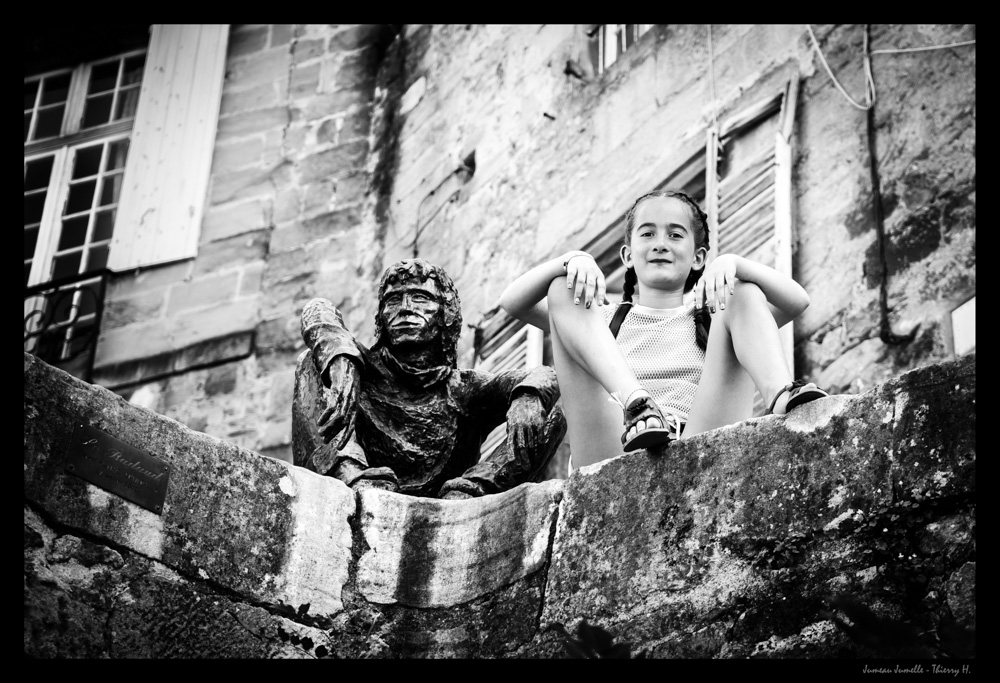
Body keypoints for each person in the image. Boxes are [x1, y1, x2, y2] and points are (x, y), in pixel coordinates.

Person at [499, 189, 828, 470]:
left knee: (741, 290)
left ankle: (782, 394)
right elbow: (514, 303)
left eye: (675, 235)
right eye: (647, 234)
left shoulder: (713, 317)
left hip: (702, 440)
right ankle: (637, 403)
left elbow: (796, 302)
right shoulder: (600, 321)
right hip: (614, 444)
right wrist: (572, 259)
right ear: (628, 256)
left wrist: (734, 264)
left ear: (698, 258)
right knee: (562, 287)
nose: (660, 244)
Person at [292, 258, 567, 499]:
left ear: (445, 314)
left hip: (451, 499)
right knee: (312, 360)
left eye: (420, 298)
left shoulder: (464, 388)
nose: (405, 308)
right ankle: (346, 471)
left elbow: (545, 375)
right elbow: (317, 308)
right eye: (393, 300)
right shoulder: (363, 369)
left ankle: (473, 489)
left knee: (553, 406)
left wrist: (528, 395)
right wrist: (340, 358)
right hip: (362, 483)